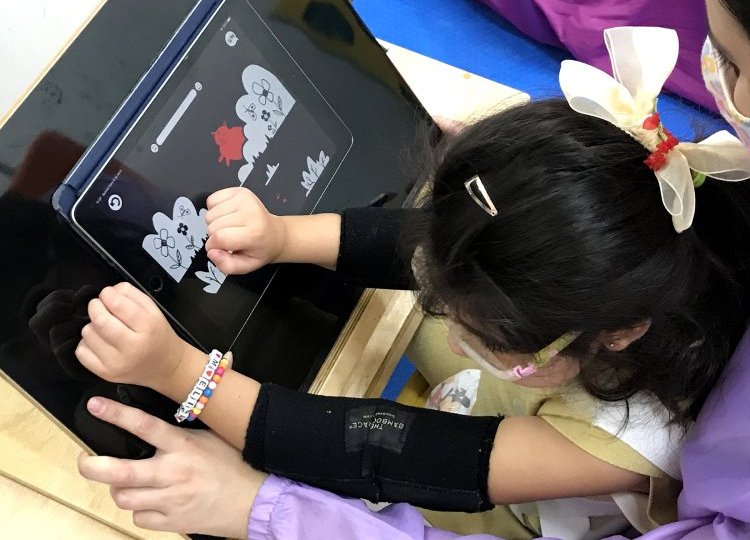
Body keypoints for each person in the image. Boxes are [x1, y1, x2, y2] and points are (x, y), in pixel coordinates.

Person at [76, 26, 750, 539]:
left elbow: (388, 452)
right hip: (500, 400)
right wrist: (284, 235)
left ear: (617, 334)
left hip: (489, 498)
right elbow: (431, 246)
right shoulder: (598, 261)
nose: (455, 337)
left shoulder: (621, 442)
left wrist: (182, 372)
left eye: (485, 337)